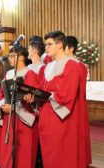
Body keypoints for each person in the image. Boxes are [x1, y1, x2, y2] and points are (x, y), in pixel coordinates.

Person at [24, 31, 81, 168]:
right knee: (48, 156)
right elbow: (41, 88)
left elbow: (67, 95)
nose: (46, 48)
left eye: (49, 44)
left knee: (60, 155)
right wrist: (32, 96)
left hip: (59, 118)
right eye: (46, 44)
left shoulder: (71, 65)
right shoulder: (48, 66)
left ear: (60, 44)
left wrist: (46, 95)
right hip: (46, 117)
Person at [0, 46, 39, 168]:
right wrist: (3, 104)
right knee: (8, 148)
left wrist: (14, 107)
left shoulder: (29, 73)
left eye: (12, 56)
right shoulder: (9, 73)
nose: (9, 59)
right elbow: (2, 93)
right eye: (9, 56)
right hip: (9, 115)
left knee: (24, 152)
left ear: (21, 57)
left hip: (23, 117)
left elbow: (32, 97)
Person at [65, 35, 91, 166]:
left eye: (64, 46)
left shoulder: (75, 65)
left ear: (70, 48)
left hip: (75, 102)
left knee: (75, 133)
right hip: (77, 101)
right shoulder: (78, 64)